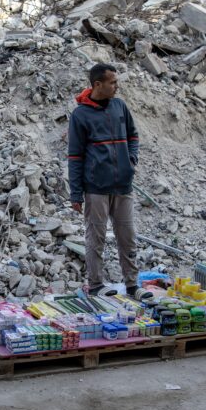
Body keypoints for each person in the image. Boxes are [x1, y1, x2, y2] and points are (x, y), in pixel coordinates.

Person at [68, 63, 152, 301]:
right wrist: (76, 194)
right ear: (98, 85)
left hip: (123, 186)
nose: (117, 86)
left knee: (127, 236)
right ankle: (95, 285)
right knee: (96, 238)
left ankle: (133, 285)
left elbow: (133, 136)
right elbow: (75, 156)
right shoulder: (80, 115)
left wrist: (131, 159)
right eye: (113, 82)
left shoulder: (119, 106)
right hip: (96, 188)